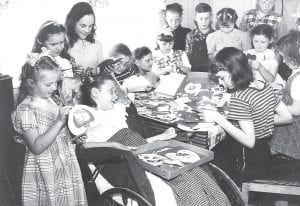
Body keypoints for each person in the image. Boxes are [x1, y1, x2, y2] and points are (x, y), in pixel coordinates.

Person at [75, 73, 231, 206]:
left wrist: (161, 137)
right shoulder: (86, 116)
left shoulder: (116, 111)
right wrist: (111, 144)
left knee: (194, 173)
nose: (116, 96)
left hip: (141, 151)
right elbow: (83, 146)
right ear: (95, 93)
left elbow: (136, 143)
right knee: (182, 184)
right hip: (121, 163)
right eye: (111, 92)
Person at [203, 47, 292, 186]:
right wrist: (260, 119)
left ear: (235, 71)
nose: (221, 83)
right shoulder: (264, 85)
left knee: (210, 159)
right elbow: (287, 117)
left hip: (246, 161)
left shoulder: (239, 97)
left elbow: (249, 141)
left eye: (222, 77)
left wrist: (218, 118)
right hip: (263, 155)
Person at [11, 55, 87, 206]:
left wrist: (73, 136)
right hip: (45, 167)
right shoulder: (26, 109)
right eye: (49, 84)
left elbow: (58, 134)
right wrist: (59, 122)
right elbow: (37, 147)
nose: (54, 88)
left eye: (56, 83)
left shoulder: (50, 100)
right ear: (31, 83)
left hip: (63, 162)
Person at [270, 31, 300, 160]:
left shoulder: (298, 79)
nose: (282, 61)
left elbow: (296, 109)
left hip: (293, 127)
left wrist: (275, 106)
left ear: (293, 58)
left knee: (266, 147)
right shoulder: (296, 73)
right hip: (291, 121)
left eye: (284, 57)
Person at [65, 1, 104, 76]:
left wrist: (106, 70)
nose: (87, 30)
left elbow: (101, 74)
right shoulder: (63, 45)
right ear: (72, 23)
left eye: (90, 26)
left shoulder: (97, 45)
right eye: (83, 26)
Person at [245, 24, 285, 94]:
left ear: (270, 40)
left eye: (263, 42)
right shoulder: (248, 53)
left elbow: (271, 79)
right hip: (253, 86)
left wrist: (260, 67)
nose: (259, 45)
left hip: (270, 87)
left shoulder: (273, 56)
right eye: (256, 41)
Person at [185, 3, 214, 72]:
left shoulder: (215, 35)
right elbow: (187, 56)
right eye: (201, 19)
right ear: (196, 18)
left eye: (207, 18)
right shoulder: (190, 35)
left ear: (211, 17)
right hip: (194, 71)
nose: (204, 22)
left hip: (211, 71)